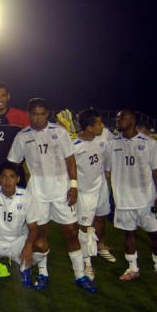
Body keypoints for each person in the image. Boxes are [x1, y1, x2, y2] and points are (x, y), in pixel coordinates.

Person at [8, 98, 96, 292]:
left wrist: (73, 185)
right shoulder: (22, 136)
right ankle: (43, 273)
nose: (38, 118)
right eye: (34, 114)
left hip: (62, 190)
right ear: (28, 114)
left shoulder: (59, 132)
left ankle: (80, 275)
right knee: (40, 234)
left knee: (71, 232)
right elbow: (13, 163)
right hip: (38, 192)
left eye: (41, 114)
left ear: (46, 113)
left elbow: (70, 160)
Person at [104, 109, 157, 282]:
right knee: (128, 235)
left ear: (132, 120)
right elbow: (107, 172)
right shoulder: (112, 144)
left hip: (147, 199)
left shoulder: (148, 143)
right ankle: (132, 268)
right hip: (123, 200)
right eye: (117, 118)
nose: (118, 121)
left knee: (155, 234)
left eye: (121, 118)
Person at [0, 162, 49, 288]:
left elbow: (33, 228)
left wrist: (28, 246)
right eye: (4, 176)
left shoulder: (26, 197)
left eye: (11, 177)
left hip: (17, 242)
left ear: (17, 179)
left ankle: (25, 268)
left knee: (42, 245)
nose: (7, 181)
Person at [73, 109, 114, 281]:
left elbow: (107, 160)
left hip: (101, 188)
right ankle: (86, 262)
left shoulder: (102, 140)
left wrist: (107, 172)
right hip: (84, 192)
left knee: (101, 217)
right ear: (89, 127)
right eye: (98, 123)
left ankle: (100, 246)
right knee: (84, 228)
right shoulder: (74, 147)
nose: (102, 126)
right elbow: (70, 171)